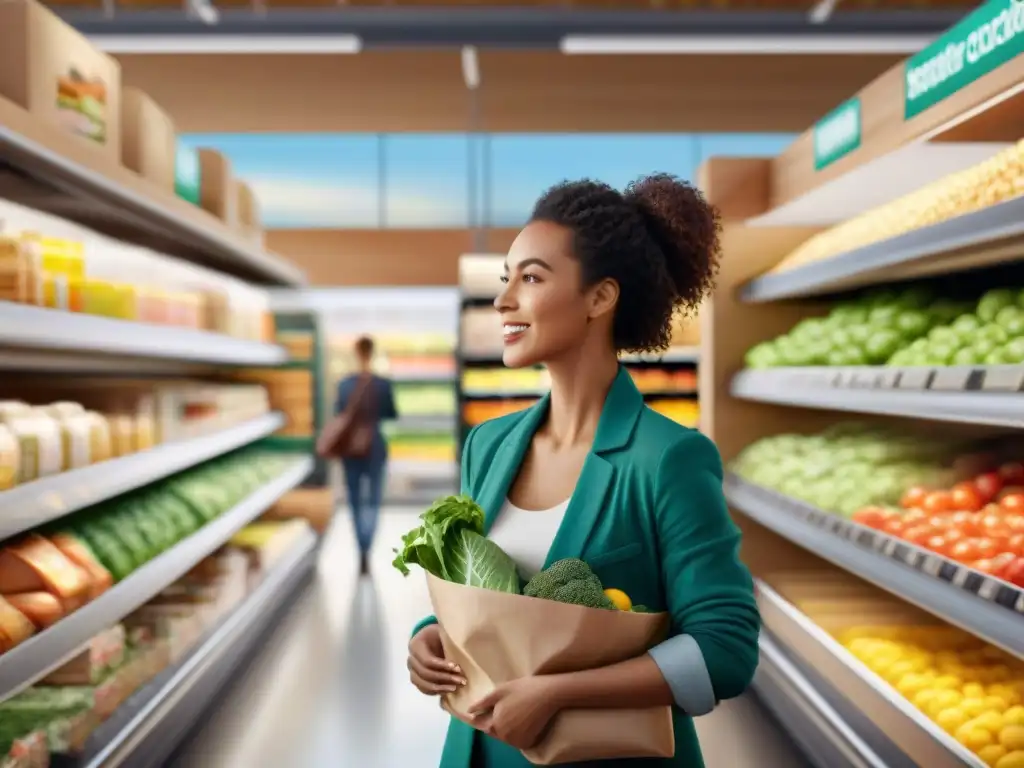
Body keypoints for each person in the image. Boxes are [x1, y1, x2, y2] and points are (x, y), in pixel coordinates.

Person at [406, 174, 760, 767]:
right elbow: (487, 597)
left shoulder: (668, 458)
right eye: (507, 278)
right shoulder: (488, 446)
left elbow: (724, 647)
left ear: (600, 298)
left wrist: (558, 694)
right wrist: (429, 635)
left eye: (533, 278)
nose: (504, 300)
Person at [335, 335, 398, 576]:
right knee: (372, 499)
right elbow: (392, 414)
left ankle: (359, 547)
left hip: (350, 448)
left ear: (356, 353)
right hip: (375, 446)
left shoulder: (344, 384)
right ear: (373, 352)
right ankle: (367, 549)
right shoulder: (382, 384)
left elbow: (338, 414)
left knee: (354, 499)